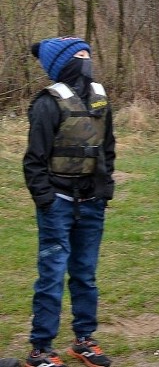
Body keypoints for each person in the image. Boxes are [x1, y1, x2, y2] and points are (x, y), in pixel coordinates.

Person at [24, 37, 116, 367]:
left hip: (92, 203)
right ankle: (40, 350)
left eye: (88, 54)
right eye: (78, 55)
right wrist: (46, 201)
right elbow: (33, 160)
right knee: (51, 276)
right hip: (58, 203)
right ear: (62, 63)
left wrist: (105, 191)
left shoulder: (100, 98)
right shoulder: (47, 104)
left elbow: (107, 148)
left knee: (85, 275)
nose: (86, 59)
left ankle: (84, 340)